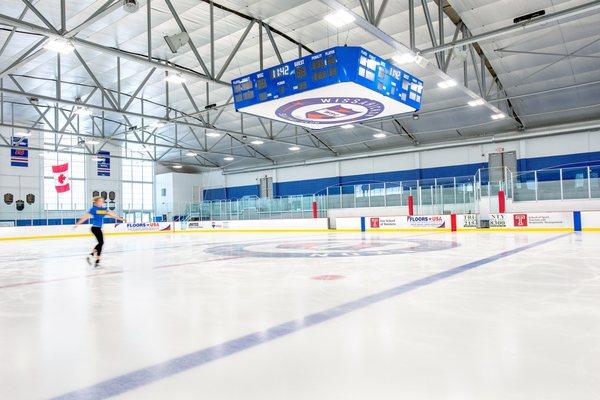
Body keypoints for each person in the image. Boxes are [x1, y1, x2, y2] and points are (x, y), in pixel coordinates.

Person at [75, 196, 124, 267]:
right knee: (101, 243)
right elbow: (85, 217)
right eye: (101, 200)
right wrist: (77, 224)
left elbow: (111, 214)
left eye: (103, 201)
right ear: (97, 202)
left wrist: (120, 218)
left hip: (98, 228)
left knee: (100, 243)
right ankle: (91, 256)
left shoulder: (102, 210)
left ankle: (96, 261)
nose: (102, 201)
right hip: (95, 228)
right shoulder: (93, 209)